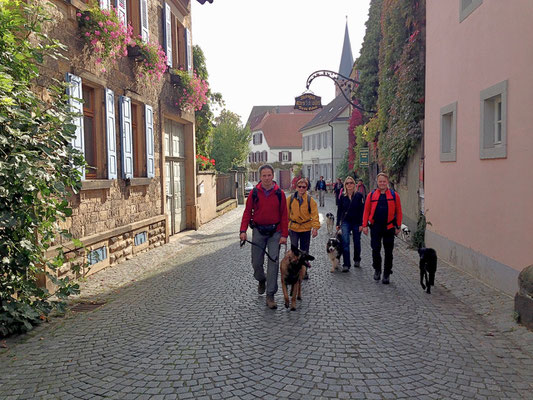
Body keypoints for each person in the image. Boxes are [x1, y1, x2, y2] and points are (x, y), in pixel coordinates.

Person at [240, 164, 289, 309]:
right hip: (259, 232)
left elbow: (284, 216)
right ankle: (261, 279)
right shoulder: (255, 193)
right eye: (264, 176)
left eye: (269, 175)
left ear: (272, 176)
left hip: (275, 233)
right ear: (260, 177)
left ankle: (270, 295)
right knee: (256, 263)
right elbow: (247, 212)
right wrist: (243, 230)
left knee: (273, 263)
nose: (267, 178)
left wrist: (284, 235)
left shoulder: (279, 193)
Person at [362, 172, 402, 284]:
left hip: (389, 227)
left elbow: (399, 212)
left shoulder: (394, 196)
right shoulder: (371, 195)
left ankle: (387, 273)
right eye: (380, 181)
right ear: (377, 182)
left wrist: (398, 226)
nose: (382, 183)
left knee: (388, 252)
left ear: (387, 182)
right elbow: (366, 211)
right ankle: (377, 270)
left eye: (384, 181)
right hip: (375, 227)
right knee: (375, 249)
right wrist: (364, 225)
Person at [287, 178, 320, 279]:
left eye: (304, 187)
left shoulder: (310, 200)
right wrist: (284, 227)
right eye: (299, 186)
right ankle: (294, 270)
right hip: (294, 228)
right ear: (296, 187)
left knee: (305, 251)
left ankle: (304, 271)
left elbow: (314, 215)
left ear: (306, 188)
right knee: (294, 250)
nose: (301, 189)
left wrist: (315, 228)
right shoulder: (290, 199)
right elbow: (285, 214)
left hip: (305, 228)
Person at [336, 176, 365, 272]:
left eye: (351, 183)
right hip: (345, 222)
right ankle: (346, 264)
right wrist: (337, 223)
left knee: (356, 242)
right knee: (345, 242)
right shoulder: (342, 196)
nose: (349, 185)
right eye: (347, 183)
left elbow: (362, 211)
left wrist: (362, 224)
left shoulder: (359, 196)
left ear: (354, 184)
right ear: (345, 185)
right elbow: (339, 211)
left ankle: (357, 259)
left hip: (357, 222)